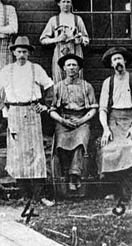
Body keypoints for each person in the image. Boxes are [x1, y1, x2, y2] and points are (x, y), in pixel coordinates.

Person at [0, 36, 54, 205]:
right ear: (14, 52)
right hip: (15, 111)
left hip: (32, 110)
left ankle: (39, 195)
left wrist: (45, 105)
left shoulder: (36, 69)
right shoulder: (7, 70)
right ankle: (25, 195)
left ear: (29, 53)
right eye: (19, 51)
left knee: (36, 152)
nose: (22, 54)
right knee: (18, 154)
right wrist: (3, 108)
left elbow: (49, 86)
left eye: (25, 51)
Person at [99, 47, 132, 201]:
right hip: (113, 121)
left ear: (125, 61)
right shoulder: (108, 82)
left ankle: (131, 190)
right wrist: (106, 129)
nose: (118, 62)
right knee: (107, 148)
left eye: (120, 59)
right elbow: (103, 109)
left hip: (130, 121)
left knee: (129, 147)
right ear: (111, 65)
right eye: (114, 60)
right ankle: (114, 189)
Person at [49, 54, 97, 191]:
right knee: (61, 142)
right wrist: (62, 120)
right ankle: (65, 174)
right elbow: (52, 110)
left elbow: (93, 109)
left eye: (74, 65)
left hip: (82, 120)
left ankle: (74, 175)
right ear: (64, 68)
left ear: (79, 68)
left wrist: (81, 120)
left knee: (81, 141)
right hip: (63, 120)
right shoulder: (58, 87)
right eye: (68, 65)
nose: (71, 68)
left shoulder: (86, 86)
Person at [40, 0, 90, 84]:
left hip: (75, 50)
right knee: (59, 78)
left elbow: (86, 39)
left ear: (71, 4)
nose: (66, 4)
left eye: (68, 2)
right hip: (60, 50)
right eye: (63, 2)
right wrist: (57, 39)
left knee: (76, 78)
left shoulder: (77, 19)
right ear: (59, 3)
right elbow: (43, 39)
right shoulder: (54, 20)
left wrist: (80, 40)